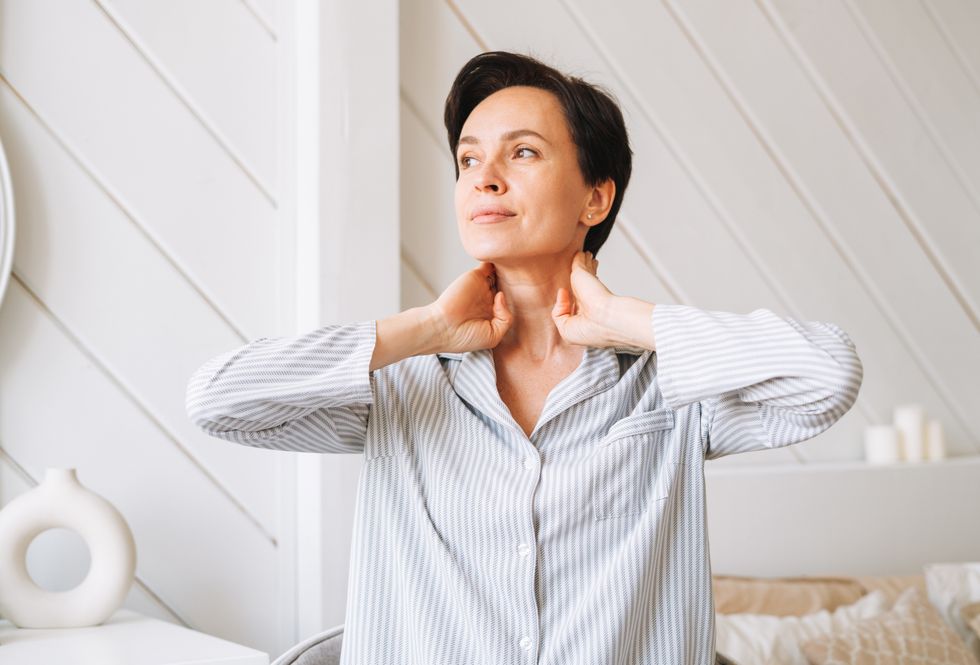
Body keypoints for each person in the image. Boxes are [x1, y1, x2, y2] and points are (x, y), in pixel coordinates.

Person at [186, 50, 863, 665]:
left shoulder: (668, 386)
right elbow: (217, 399)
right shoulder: (404, 385)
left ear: (595, 197)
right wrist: (422, 328)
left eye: (524, 153)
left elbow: (827, 375)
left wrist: (626, 318)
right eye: (469, 160)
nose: (486, 179)